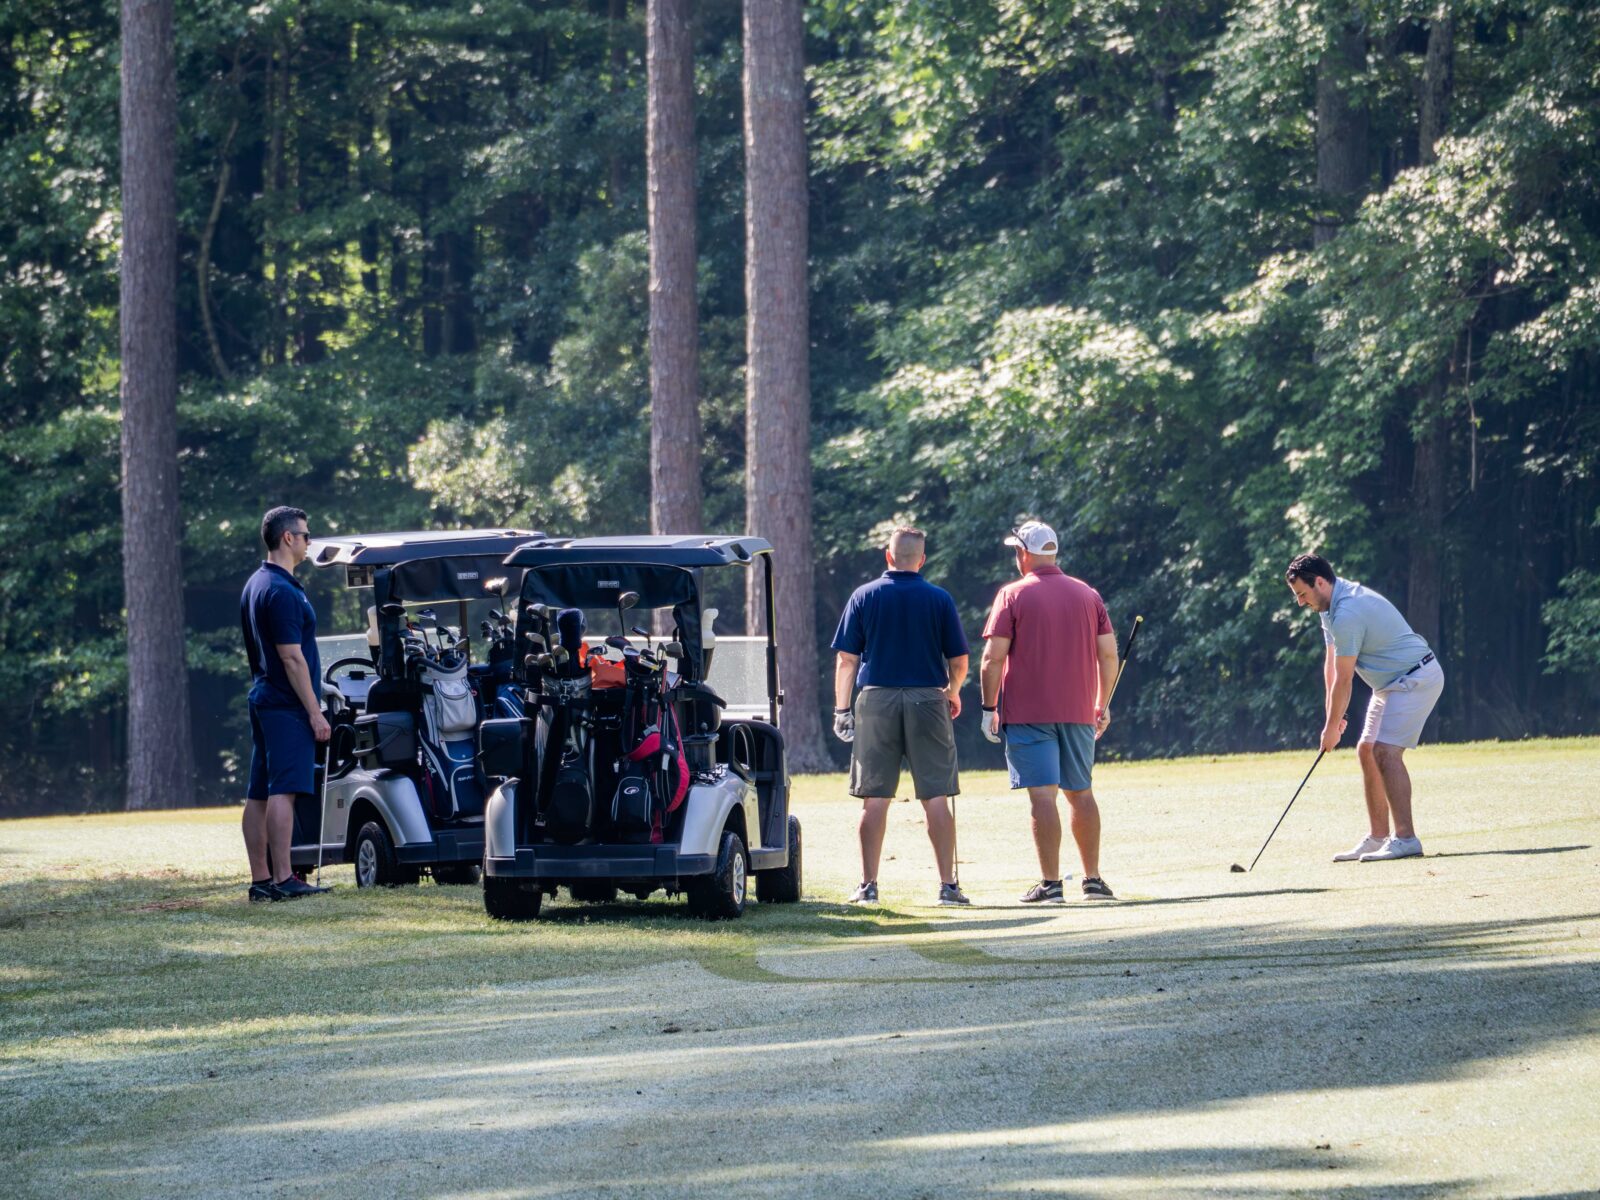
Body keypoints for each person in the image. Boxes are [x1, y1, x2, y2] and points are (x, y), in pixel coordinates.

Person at [979, 521, 1119, 902]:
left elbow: (992, 659)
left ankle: (1052, 884)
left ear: (1023, 553)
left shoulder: (1011, 595)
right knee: (1081, 793)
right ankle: (1093, 880)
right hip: (1079, 711)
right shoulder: (1088, 595)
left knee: (1043, 796)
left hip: (1028, 713)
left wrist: (988, 707)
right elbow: (1108, 655)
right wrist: (1103, 702)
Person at [831, 527, 970, 906]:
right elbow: (959, 660)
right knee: (936, 795)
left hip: (876, 699)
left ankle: (868, 886)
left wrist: (842, 709)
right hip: (928, 698)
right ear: (921, 560)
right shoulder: (939, 598)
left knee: (874, 797)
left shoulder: (864, 595)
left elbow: (847, 659)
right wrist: (952, 691)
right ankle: (947, 887)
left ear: (888, 556)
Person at [1285, 553, 1444, 862]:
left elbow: (1345, 679)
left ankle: (1406, 839)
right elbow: (1332, 666)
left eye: (1302, 594)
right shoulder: (1328, 606)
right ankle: (1378, 837)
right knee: (1367, 750)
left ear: (1320, 582)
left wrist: (1332, 728)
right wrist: (1334, 719)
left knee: (1385, 751)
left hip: (1415, 677)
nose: (1301, 603)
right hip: (1389, 684)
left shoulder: (1347, 612)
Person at [240, 506, 332, 901]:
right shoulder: (281, 591)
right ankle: (282, 878)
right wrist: (315, 712)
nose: (309, 542)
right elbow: (292, 657)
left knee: (259, 792)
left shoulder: (256, 583)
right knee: (284, 790)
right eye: (306, 535)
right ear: (288, 538)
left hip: (264, 696)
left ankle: (261, 880)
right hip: (285, 703)